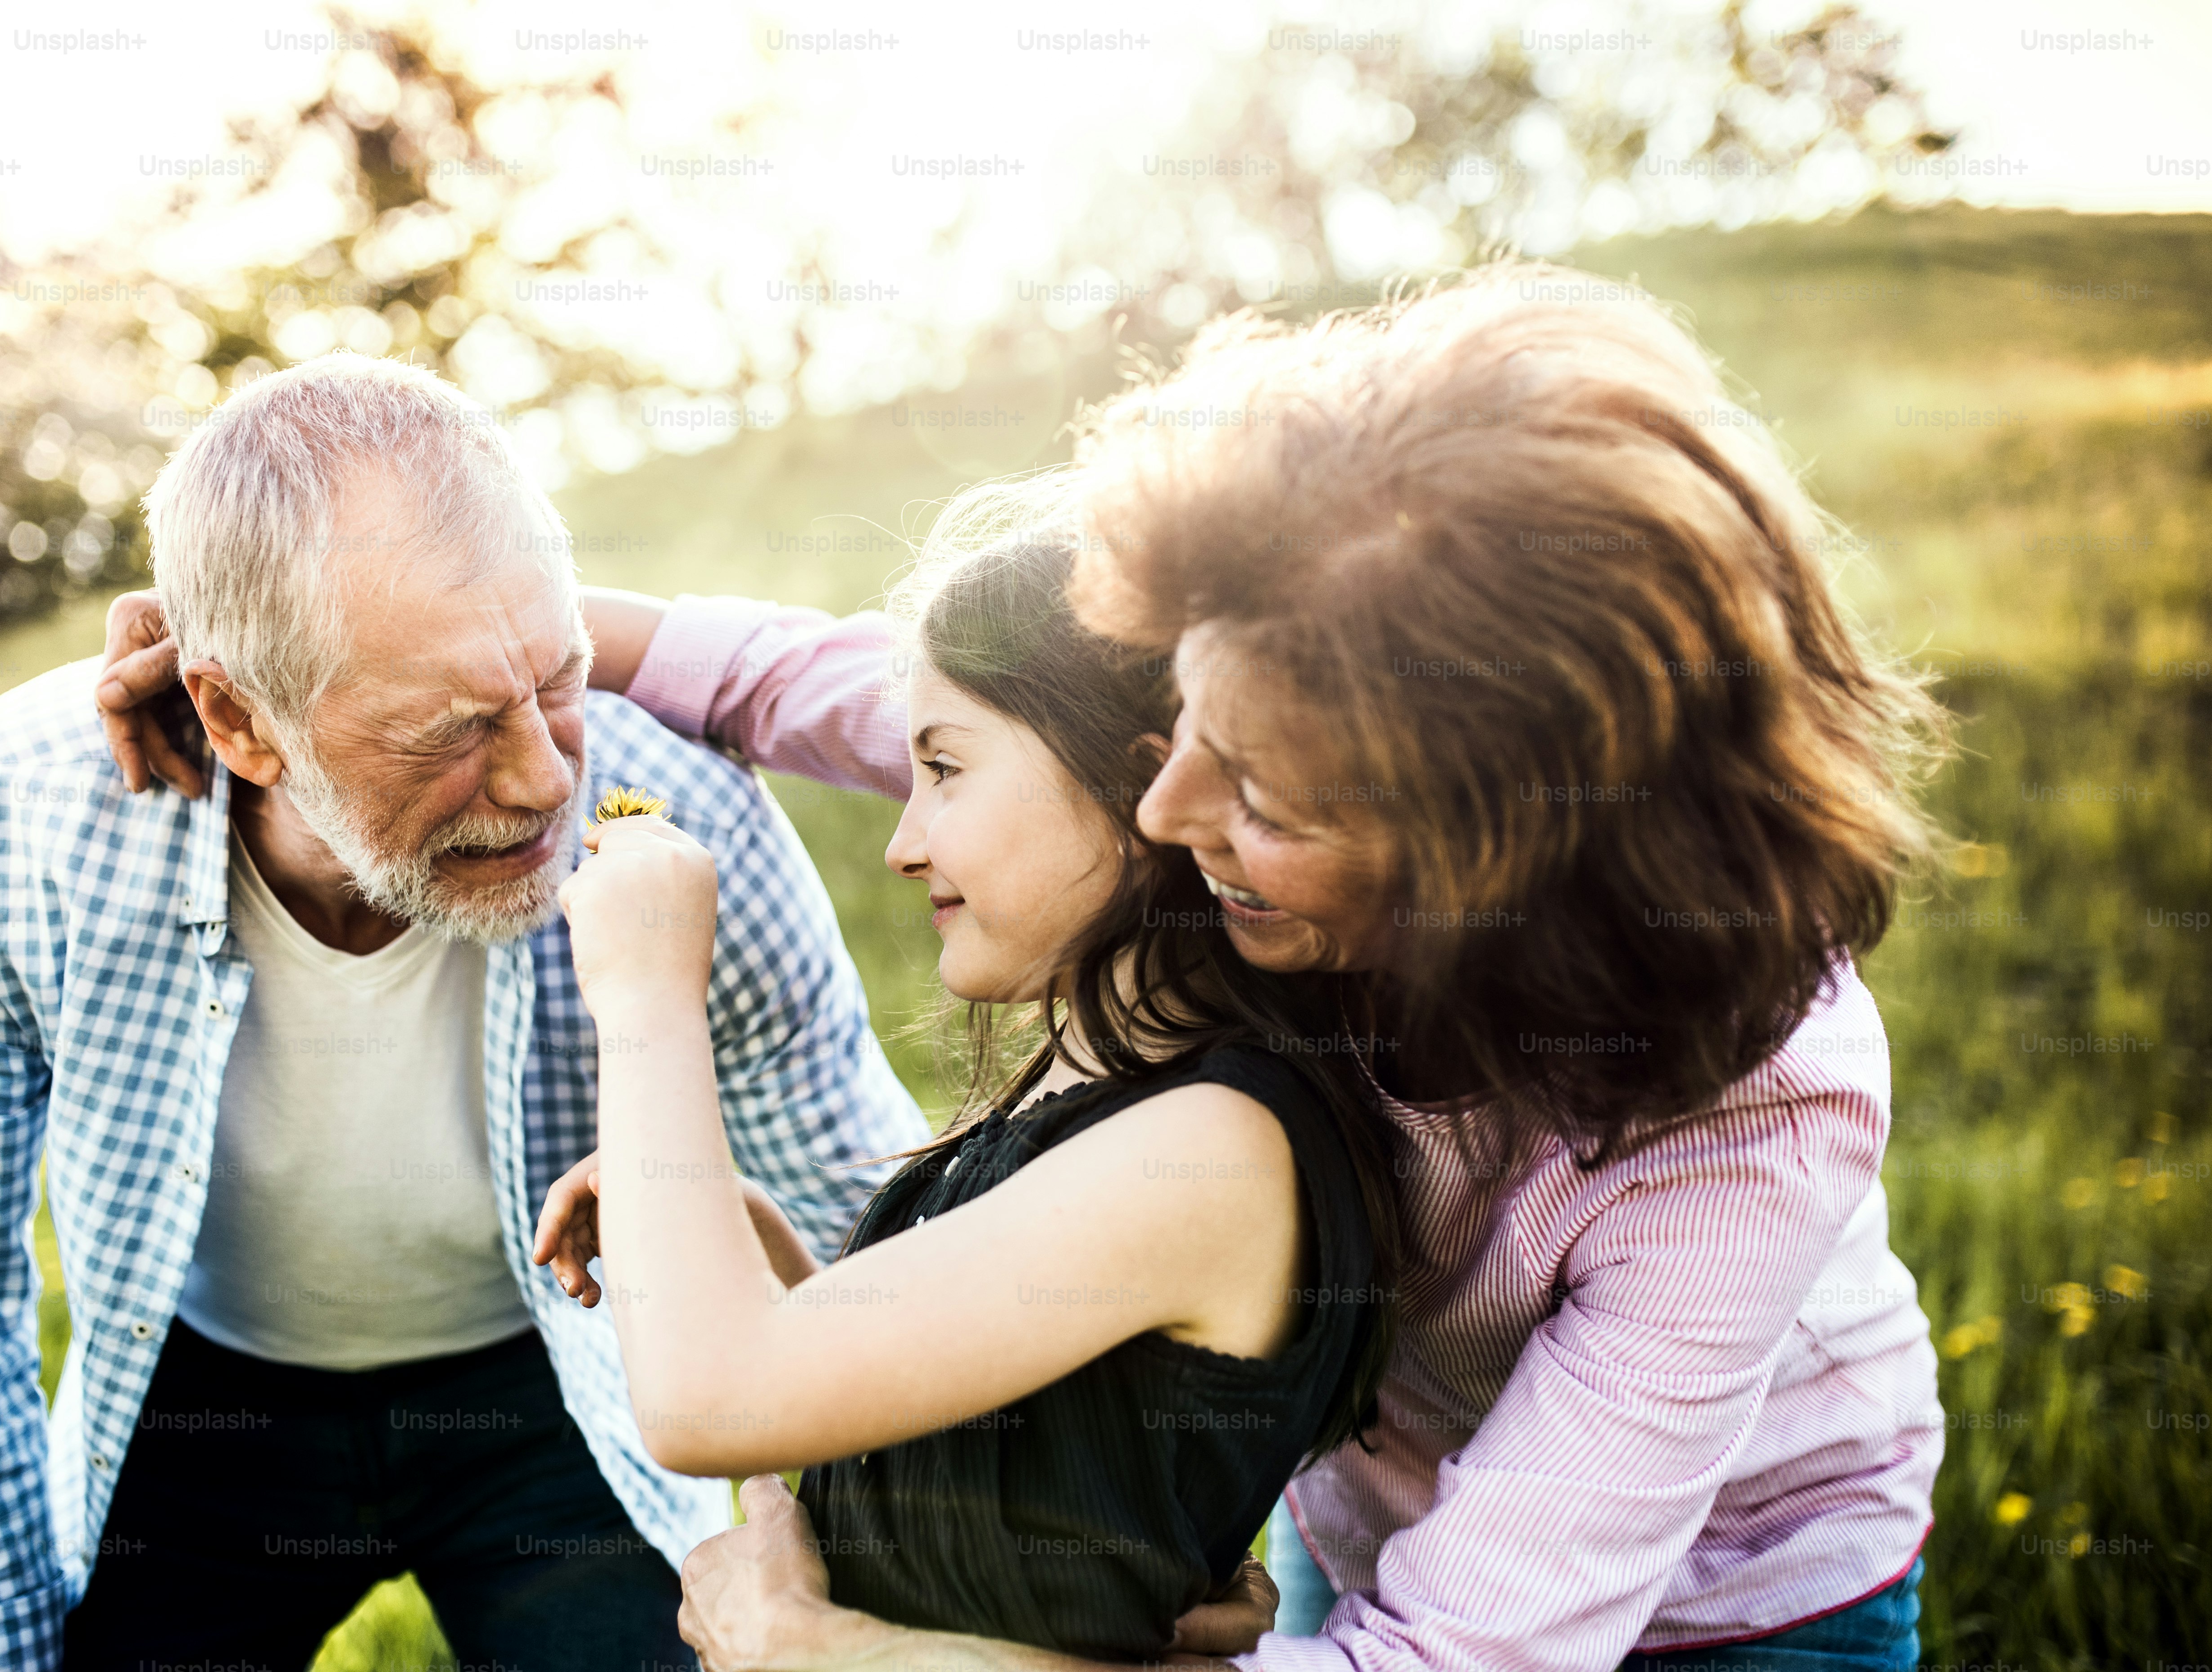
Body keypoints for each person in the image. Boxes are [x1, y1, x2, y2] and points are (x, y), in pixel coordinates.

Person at [95, 264, 1949, 1672]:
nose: (1167, 809)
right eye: (1174, 724)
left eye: (1266, 787)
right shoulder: (1217, 812)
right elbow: (808, 681)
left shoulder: (1745, 1120)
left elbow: (1455, 1656)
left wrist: (843, 1657)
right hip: (1359, 1491)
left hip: (1747, 1598)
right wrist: (303, 645)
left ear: (1486, 843)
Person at [0, 353, 931, 1672]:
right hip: (203, 1407)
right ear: (239, 718)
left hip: (566, 1381)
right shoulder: (5, 827)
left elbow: (860, 1228)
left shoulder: (681, 813)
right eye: (454, 731)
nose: (542, 782)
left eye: (562, 681)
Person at [528, 535, 1399, 1662]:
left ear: (1138, 784)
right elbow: (988, 1446)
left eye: (943, 768)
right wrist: (739, 1244)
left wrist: (647, 993)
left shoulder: (1211, 1148)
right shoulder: (1114, 1097)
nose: (902, 840)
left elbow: (710, 1401)